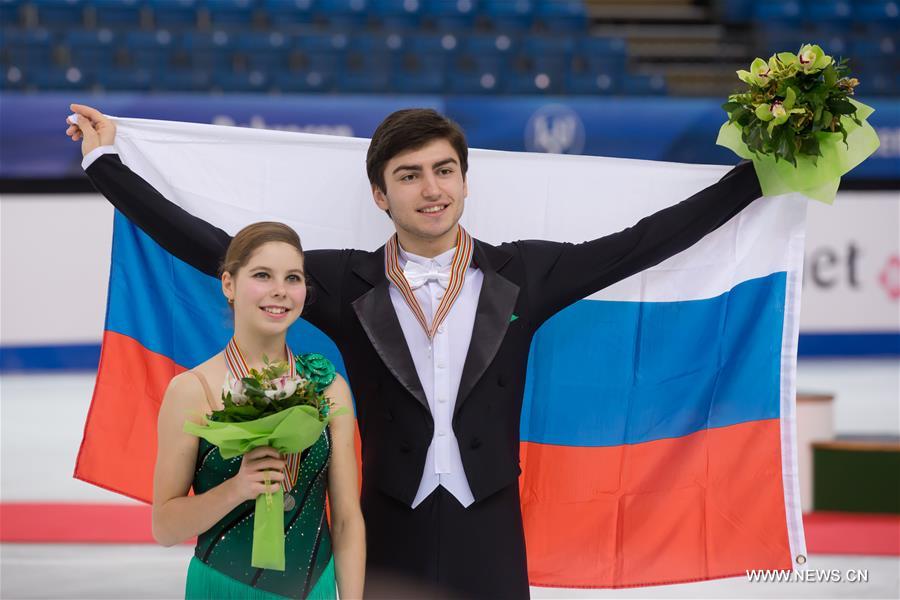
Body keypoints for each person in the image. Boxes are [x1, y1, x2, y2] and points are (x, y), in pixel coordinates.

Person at [67, 104, 762, 599]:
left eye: (444, 170)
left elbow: (646, 241)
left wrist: (760, 176)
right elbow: (215, 248)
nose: (431, 188)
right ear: (381, 193)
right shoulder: (341, 281)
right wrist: (107, 166)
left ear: (464, 180)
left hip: (489, 523)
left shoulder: (526, 272)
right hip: (385, 522)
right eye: (409, 175)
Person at [148, 220, 365, 599]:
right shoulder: (191, 391)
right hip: (224, 587)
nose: (280, 292)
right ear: (229, 284)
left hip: (315, 587)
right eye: (263, 275)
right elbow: (165, 528)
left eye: (293, 278)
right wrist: (235, 489)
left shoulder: (330, 387)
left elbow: (346, 519)